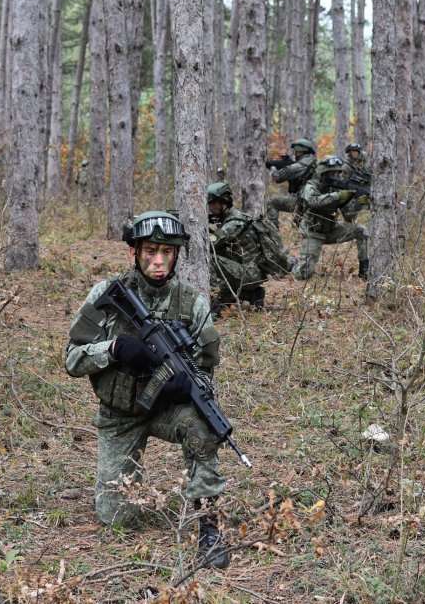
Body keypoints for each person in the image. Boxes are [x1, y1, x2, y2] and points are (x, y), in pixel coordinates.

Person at [64, 211, 230, 568]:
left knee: (204, 425)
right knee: (116, 517)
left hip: (166, 410)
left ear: (176, 255)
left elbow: (206, 366)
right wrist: (113, 350)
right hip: (120, 414)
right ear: (134, 253)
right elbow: (72, 359)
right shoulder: (108, 295)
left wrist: (183, 386)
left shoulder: (191, 303)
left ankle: (209, 523)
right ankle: (127, 481)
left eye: (167, 252)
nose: (158, 261)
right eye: (150, 251)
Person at [208, 182, 292, 311]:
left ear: (225, 202)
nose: (211, 207)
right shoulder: (231, 218)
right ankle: (253, 295)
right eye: (210, 204)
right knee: (222, 298)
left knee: (209, 258)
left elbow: (210, 244)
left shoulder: (234, 223)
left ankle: (211, 299)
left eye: (214, 204)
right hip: (249, 272)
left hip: (250, 274)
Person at [293, 156, 369, 280]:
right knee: (303, 274)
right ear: (323, 173)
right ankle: (291, 263)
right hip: (313, 233)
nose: (335, 176)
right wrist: (337, 196)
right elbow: (313, 201)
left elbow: (348, 215)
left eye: (337, 173)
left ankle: (365, 271)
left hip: (331, 230)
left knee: (361, 231)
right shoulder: (311, 185)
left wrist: (359, 202)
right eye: (332, 173)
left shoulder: (336, 188)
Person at [266, 138, 317, 228]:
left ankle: (272, 232)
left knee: (272, 202)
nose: (295, 154)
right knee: (299, 227)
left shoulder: (299, 166)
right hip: (315, 202)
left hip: (304, 203)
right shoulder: (313, 162)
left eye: (296, 152)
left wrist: (273, 167)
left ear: (301, 151)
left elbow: (277, 177)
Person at [340, 143, 371, 224]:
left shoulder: (366, 160)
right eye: (352, 152)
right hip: (353, 192)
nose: (354, 154)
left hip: (366, 187)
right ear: (349, 153)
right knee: (349, 213)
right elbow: (344, 183)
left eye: (356, 152)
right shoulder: (346, 167)